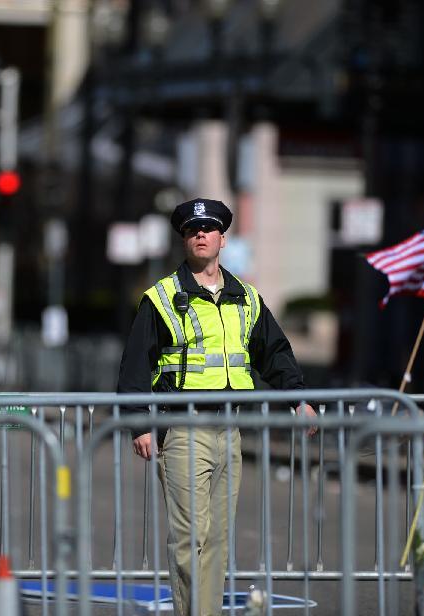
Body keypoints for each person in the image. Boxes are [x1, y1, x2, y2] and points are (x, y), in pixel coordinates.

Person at [116, 197, 318, 616]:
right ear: (184, 240)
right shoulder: (163, 298)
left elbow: (274, 352)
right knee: (191, 537)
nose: (201, 235)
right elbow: (136, 364)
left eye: (208, 229)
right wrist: (138, 424)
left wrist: (299, 398)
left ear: (222, 239)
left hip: (231, 429)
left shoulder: (246, 298)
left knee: (219, 539)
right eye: (192, 230)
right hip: (183, 429)